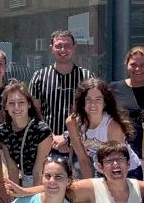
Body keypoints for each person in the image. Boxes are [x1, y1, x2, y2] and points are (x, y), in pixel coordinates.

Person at [29, 29, 95, 158]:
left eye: (68, 46)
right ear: (51, 48)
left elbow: (92, 112)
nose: (63, 50)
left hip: (80, 146)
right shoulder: (39, 77)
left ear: (74, 48)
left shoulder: (87, 77)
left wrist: (67, 137)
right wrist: (51, 137)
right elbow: (34, 111)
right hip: (47, 144)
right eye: (58, 46)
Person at [67, 78, 142, 180]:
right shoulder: (73, 122)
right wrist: (90, 184)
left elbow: (116, 161)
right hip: (101, 169)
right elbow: (83, 158)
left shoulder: (113, 126)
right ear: (82, 102)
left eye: (98, 99)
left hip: (127, 171)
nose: (93, 104)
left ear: (105, 102)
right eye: (88, 99)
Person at [0, 81, 53, 190]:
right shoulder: (3, 131)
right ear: (5, 106)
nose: (16, 107)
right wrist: (16, 195)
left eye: (21, 102)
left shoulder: (41, 130)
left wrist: (33, 197)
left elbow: (38, 171)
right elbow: (12, 168)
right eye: (11, 103)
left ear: (29, 104)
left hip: (43, 181)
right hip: (22, 179)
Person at [109, 46, 144, 160]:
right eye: (133, 64)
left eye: (143, 65)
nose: (138, 69)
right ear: (126, 65)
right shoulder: (113, 88)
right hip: (119, 152)